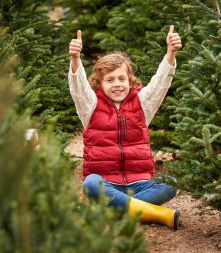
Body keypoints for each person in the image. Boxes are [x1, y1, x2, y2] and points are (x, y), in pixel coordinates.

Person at [68, 26, 182, 230]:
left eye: (122, 79)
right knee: (90, 184)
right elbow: (79, 90)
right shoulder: (91, 107)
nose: (117, 84)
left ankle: (113, 211)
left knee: (171, 182)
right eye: (110, 80)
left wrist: (170, 53)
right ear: (99, 83)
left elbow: (160, 84)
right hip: (107, 183)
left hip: (140, 184)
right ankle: (153, 213)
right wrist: (76, 60)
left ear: (130, 80)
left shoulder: (142, 104)